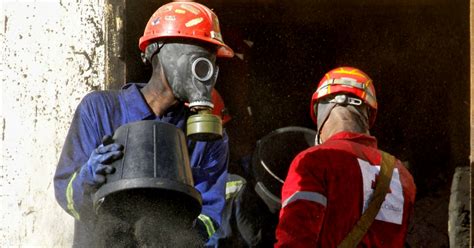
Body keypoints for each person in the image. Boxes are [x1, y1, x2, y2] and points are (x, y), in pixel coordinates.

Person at [53, 1, 234, 247]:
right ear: (161, 54)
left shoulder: (208, 138)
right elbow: (66, 196)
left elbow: (210, 215)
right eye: (200, 59)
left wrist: (178, 235)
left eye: (212, 61)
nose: (207, 73)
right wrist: (88, 177)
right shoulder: (101, 111)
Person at [275, 67, 416, 247]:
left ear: (323, 111)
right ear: (368, 114)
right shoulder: (402, 174)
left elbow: (295, 239)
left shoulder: (315, 160)